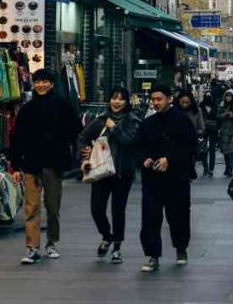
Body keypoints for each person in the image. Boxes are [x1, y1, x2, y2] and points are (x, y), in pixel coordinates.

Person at [9, 69, 81, 265]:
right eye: (37, 82)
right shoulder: (27, 108)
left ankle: (51, 242)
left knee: (52, 205)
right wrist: (15, 164)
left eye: (44, 81)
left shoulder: (62, 106)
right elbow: (17, 138)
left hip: (54, 163)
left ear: (51, 83)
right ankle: (32, 247)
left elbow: (75, 131)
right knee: (31, 207)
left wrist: (78, 154)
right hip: (30, 164)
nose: (40, 85)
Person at [77, 86, 141, 264]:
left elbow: (129, 142)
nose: (117, 102)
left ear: (127, 102)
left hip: (122, 172)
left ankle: (117, 248)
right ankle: (107, 235)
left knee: (118, 210)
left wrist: (114, 128)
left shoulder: (133, 121)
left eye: (121, 99)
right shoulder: (100, 119)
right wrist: (85, 152)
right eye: (114, 98)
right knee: (96, 209)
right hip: (101, 171)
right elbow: (82, 137)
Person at [137, 84, 197, 272]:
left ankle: (181, 249)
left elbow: (190, 148)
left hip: (177, 178)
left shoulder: (182, 121)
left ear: (169, 99)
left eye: (159, 99)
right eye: (153, 99)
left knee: (178, 216)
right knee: (150, 217)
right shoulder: (147, 123)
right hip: (152, 179)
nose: (155, 103)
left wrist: (170, 159)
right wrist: (144, 158)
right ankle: (153, 255)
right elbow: (139, 146)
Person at [176, 91, 205, 180]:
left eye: (187, 102)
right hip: (177, 142)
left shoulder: (196, 111)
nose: (184, 105)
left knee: (190, 160)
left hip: (191, 142)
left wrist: (194, 132)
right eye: (182, 102)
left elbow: (201, 128)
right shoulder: (174, 111)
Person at [199, 92, 219, 177]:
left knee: (212, 150)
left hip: (213, 130)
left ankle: (211, 169)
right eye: (206, 95)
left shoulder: (215, 106)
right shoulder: (201, 106)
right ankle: (205, 167)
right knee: (203, 149)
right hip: (203, 130)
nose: (208, 97)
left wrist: (218, 128)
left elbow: (218, 118)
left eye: (209, 96)